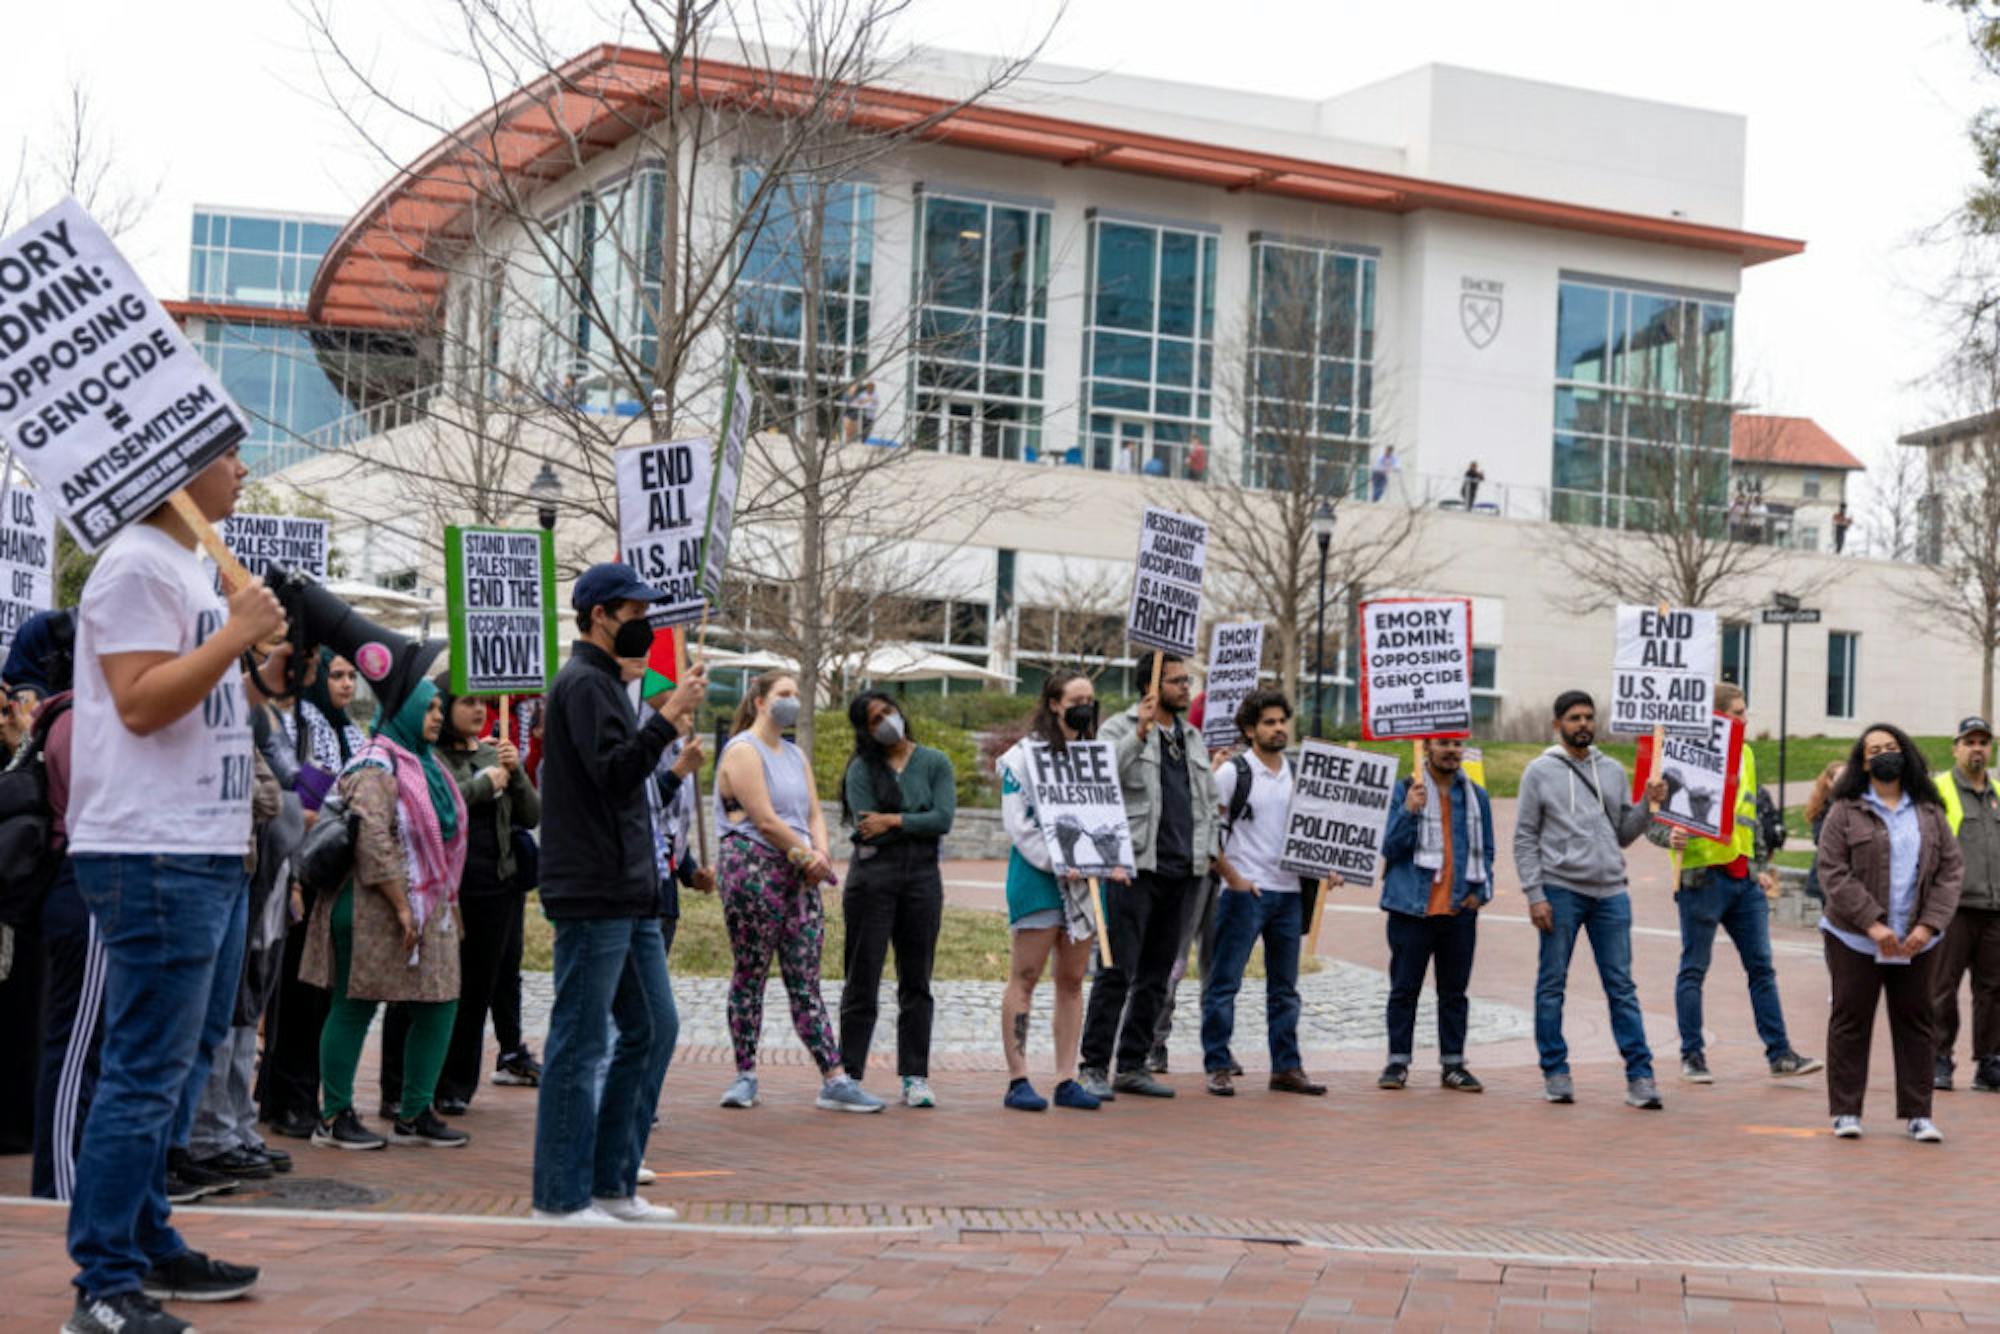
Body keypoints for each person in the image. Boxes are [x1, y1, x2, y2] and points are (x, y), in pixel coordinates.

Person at [63, 446, 283, 1333]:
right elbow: (143, 703)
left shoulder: (187, 567)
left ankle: (148, 1239)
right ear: (177, 473)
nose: (242, 469)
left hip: (206, 844)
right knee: (146, 1071)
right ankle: (104, 1284)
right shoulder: (131, 568)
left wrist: (255, 666)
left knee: (181, 1065)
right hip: (152, 849)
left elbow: (200, 704)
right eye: (226, 456)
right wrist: (234, 634)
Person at [531, 564, 701, 1222]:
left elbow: (631, 784)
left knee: (654, 1026)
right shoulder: (581, 684)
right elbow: (615, 773)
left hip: (631, 891)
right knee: (580, 1041)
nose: (647, 625)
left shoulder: (608, 686)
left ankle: (611, 1183)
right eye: (635, 611)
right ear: (601, 615)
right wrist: (668, 718)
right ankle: (560, 1195)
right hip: (594, 891)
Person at [302, 673, 469, 1153]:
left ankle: (415, 1111)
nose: (438, 716)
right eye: (431, 708)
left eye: (440, 708)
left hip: (423, 903)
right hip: (371, 905)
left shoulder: (424, 763)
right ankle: (333, 1115)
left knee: (438, 1001)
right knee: (355, 1005)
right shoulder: (376, 763)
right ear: (407, 711)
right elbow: (372, 837)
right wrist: (400, 904)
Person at [715, 672, 882, 1111]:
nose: (791, 701)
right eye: (782, 695)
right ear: (759, 701)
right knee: (750, 972)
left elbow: (812, 812)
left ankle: (834, 1077)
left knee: (805, 977)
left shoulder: (794, 754)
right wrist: (807, 859)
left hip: (800, 876)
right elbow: (764, 820)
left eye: (795, 694)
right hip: (755, 871)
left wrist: (821, 852)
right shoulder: (743, 751)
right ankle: (745, 1074)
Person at [380, 678, 541, 1117]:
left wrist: (517, 771)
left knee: (475, 992)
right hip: (442, 889)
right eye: (466, 702)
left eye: (483, 703)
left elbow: (531, 814)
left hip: (495, 886)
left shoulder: (493, 752)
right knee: (418, 990)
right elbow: (435, 813)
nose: (478, 711)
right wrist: (483, 786)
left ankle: (455, 1086)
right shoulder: (427, 758)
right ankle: (398, 1088)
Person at [1654, 683, 1821, 1084]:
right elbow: (1652, 818)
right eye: (1739, 712)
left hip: (1743, 880)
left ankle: (1780, 1054)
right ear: (1716, 717)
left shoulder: (1745, 755)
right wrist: (1668, 837)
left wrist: (1761, 863)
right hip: (1701, 879)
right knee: (1694, 969)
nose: (1746, 720)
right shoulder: (1681, 755)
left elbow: (1751, 817)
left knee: (1762, 968)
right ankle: (1692, 1056)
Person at [1513, 689, 1667, 1110]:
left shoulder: (1612, 770)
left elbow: (1623, 833)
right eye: (1574, 718)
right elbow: (1524, 837)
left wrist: (1649, 806)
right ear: (1557, 724)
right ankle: (1556, 1071)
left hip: (1611, 893)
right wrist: (1534, 894)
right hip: (1560, 890)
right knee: (1552, 984)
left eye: (1588, 717)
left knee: (1621, 987)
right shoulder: (1538, 773)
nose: (1583, 724)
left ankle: (1641, 1076)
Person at [1078, 650, 1219, 1101]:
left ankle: (1133, 1063)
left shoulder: (1192, 736)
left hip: (1183, 871)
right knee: (1116, 970)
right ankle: (1094, 1065)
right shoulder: (1118, 727)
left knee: (1157, 975)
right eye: (1177, 681)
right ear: (1151, 687)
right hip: (1133, 869)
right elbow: (1101, 780)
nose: (1186, 688)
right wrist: (1138, 735)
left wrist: (1208, 853)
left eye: (1187, 681)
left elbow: (1205, 802)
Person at [1817, 724, 1962, 1142]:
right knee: (1850, 1018)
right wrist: (1872, 923)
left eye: (1892, 747)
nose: (1884, 754)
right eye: (1875, 749)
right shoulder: (1845, 810)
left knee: (1917, 1019)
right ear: (1862, 762)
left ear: (1906, 753)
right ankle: (1846, 1111)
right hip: (1855, 937)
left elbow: (1950, 871)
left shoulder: (1929, 811)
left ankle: (1919, 1113)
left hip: (1917, 939)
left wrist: (1928, 925)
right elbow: (1833, 871)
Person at [257, 651, 362, 1140]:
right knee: (296, 995)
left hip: (334, 872)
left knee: (317, 991)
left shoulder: (349, 729)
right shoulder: (303, 722)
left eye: (349, 675)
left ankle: (298, 1093)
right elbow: (301, 796)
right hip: (300, 866)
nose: (343, 683)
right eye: (334, 674)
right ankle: (287, 1097)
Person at [1201, 690, 1326, 1098]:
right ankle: (1218, 1064)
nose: (1278, 729)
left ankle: (1286, 1067)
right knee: (1225, 982)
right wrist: (1233, 877)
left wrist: (1327, 867)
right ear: (1250, 729)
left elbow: (1315, 834)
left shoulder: (1298, 774)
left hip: (1290, 894)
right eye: (1269, 722)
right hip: (1244, 893)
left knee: (1285, 989)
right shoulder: (1232, 774)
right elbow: (1206, 834)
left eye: (1282, 721)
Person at [996, 672, 1110, 1111]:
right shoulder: (1021, 758)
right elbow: (1019, 826)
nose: (1085, 706)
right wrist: (1062, 861)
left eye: (1091, 699)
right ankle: (1018, 1077)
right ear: (1054, 703)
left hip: (1083, 883)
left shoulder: (1094, 757)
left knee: (1073, 979)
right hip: (1039, 877)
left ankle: (1066, 1076)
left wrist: (1104, 858)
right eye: (1077, 699)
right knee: (1026, 975)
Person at [839, 691, 955, 1107]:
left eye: (888, 712)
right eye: (874, 719)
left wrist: (893, 819)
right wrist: (911, 820)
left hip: (922, 878)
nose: (886, 721)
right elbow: (864, 823)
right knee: (862, 977)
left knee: (917, 979)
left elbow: (942, 819)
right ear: (864, 730)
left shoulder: (935, 762)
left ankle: (915, 1075)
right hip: (872, 878)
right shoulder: (861, 769)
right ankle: (848, 1073)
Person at [13, 612, 92, 1202]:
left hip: (82, 885)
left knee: (86, 1046)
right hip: (83, 883)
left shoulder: (66, 711)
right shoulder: (76, 716)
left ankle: (73, 1173)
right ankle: (59, 1188)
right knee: (73, 1051)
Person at [1378, 734, 1494, 1093]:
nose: (1451, 751)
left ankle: (1454, 1064)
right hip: (1412, 908)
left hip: (1459, 909)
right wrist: (1409, 810)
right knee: (1404, 990)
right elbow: (1389, 847)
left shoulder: (1476, 796)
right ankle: (1397, 1062)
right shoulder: (1404, 790)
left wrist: (1479, 893)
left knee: (1454, 992)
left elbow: (1487, 849)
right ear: (1426, 746)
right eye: (1443, 743)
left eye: (1457, 744)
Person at [1933, 716, 2000, 1092]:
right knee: (1942, 987)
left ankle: (1988, 1062)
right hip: (1953, 907)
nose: (1978, 749)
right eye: (1970, 742)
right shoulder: (1939, 789)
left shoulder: (1998, 793)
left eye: (1984, 742)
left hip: (1994, 908)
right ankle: (1939, 1058)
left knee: (1993, 990)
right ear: (1955, 747)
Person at [1803, 762, 1843, 904]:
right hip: (1828, 872)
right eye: (1840, 778)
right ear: (1829, 782)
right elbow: (1819, 838)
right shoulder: (1823, 806)